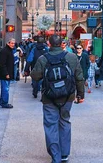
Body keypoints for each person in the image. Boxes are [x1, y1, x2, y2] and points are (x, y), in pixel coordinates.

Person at [31, 34, 85, 163]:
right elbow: (79, 77)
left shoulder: (43, 59)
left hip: (49, 97)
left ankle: (56, 156)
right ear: (62, 44)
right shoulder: (72, 57)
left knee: (51, 125)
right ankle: (64, 154)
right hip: (68, 97)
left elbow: (35, 76)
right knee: (65, 122)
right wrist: (80, 95)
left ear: (49, 44)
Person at [0, 38, 16, 108]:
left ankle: (2, 101)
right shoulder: (5, 51)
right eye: (11, 43)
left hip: (6, 73)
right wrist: (6, 74)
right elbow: (2, 64)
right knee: (5, 88)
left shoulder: (9, 51)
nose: (13, 45)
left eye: (14, 43)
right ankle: (4, 102)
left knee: (4, 88)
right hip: (5, 74)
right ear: (8, 43)